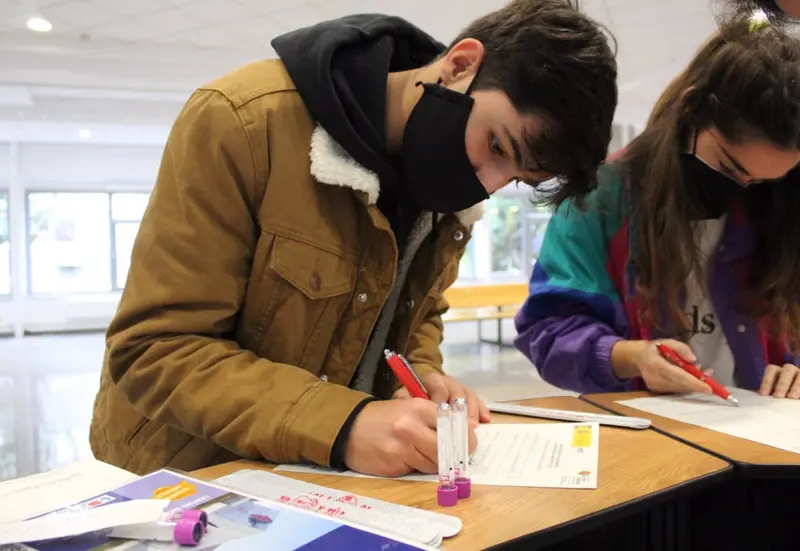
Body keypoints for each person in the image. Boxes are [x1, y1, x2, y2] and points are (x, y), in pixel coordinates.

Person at [89, 0, 618, 476]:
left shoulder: (448, 188)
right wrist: (343, 424)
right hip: (187, 482)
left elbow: (417, 313)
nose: (488, 183)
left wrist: (421, 376)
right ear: (460, 65)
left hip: (318, 485)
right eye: (497, 146)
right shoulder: (243, 121)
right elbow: (156, 350)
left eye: (515, 179)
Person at [515, 15, 800, 399]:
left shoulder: (785, 201)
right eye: (728, 167)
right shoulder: (602, 199)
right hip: (652, 428)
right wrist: (632, 358)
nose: (742, 189)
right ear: (690, 111)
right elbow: (549, 330)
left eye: (765, 180)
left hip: (767, 427)